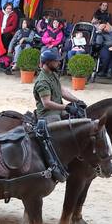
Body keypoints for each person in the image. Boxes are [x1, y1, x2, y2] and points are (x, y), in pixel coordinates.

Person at [32, 47, 83, 180]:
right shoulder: (42, 81)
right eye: (56, 61)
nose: (58, 63)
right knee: (62, 138)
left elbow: (62, 91)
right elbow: (47, 103)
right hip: (48, 115)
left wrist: (77, 101)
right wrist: (66, 108)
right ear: (47, 62)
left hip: (59, 111)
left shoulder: (53, 74)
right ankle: (57, 164)